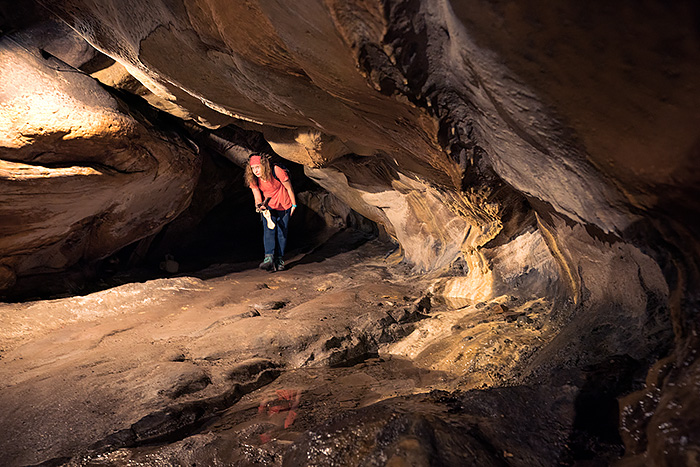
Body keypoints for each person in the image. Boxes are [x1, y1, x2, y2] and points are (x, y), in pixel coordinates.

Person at [245, 153, 297, 271]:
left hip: (284, 204)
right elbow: (257, 195)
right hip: (269, 206)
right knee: (268, 230)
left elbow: (289, 188)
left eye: (257, 167)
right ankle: (268, 258)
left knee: (281, 232)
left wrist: (294, 204)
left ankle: (279, 259)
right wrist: (260, 206)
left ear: (263, 165)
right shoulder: (253, 178)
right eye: (252, 168)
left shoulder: (276, 170)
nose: (255, 171)